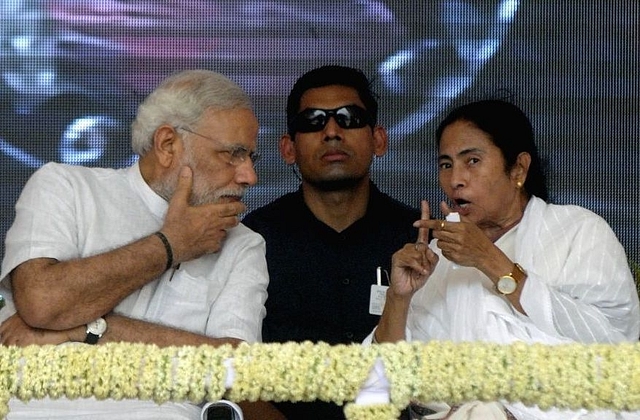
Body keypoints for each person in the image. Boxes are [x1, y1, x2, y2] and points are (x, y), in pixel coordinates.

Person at [0, 69, 283, 419]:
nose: (249, 177)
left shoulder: (243, 244)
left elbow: (238, 372)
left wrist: (89, 327)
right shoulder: (66, 186)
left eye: (251, 158)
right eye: (232, 154)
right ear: (168, 145)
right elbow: (42, 301)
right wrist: (171, 245)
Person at [369, 98, 640, 420]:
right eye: (446, 164)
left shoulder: (578, 230)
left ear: (518, 169)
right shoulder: (438, 257)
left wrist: (489, 259)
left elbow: (613, 342)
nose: (455, 178)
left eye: (472, 161)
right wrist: (399, 298)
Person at [242, 65, 420, 419]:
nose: (332, 132)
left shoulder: (417, 238)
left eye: (350, 118)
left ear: (379, 140)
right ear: (288, 148)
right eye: (313, 121)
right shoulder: (254, 240)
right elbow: (231, 369)